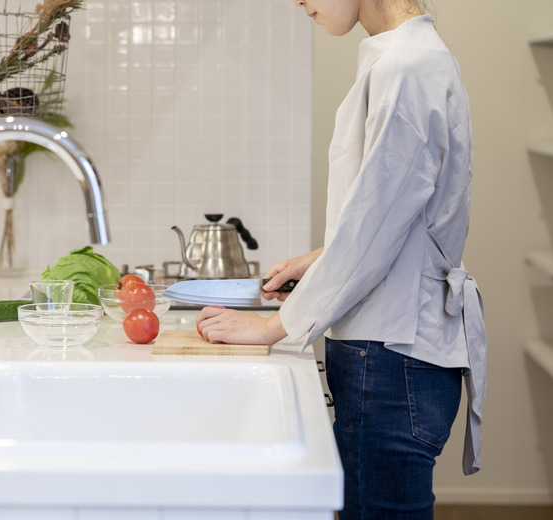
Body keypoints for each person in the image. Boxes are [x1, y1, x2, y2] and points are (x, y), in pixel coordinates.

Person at [196, 1, 486, 519]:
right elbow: (394, 215)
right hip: (397, 351)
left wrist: (274, 327)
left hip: (392, 356)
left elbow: (374, 231)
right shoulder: (406, 56)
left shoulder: (407, 67)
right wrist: (321, 258)